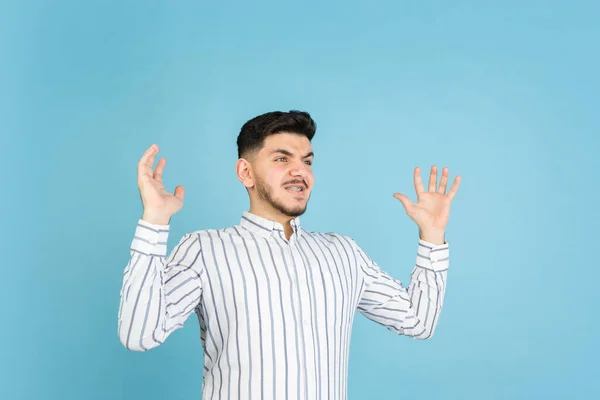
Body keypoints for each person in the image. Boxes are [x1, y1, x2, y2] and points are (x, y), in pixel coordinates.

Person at [117, 110, 461, 400]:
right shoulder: (206, 249)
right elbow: (138, 334)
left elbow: (418, 321)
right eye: (282, 159)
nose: (300, 171)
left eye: (307, 161)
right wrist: (155, 221)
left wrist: (432, 235)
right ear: (245, 172)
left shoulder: (342, 253)